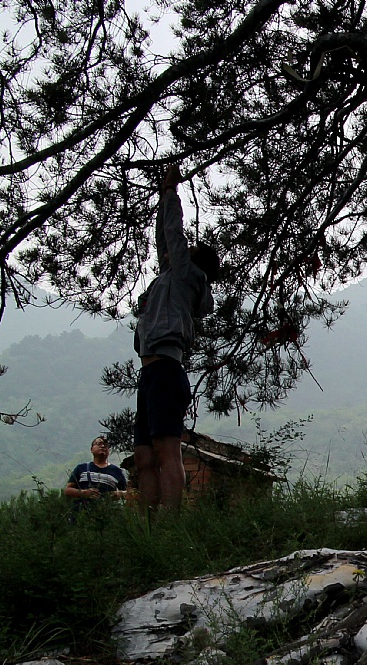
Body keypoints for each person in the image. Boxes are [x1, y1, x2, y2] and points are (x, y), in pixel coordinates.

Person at [132, 163, 220, 514]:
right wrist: (162, 196)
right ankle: (149, 525)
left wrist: (171, 192)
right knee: (143, 456)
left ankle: (169, 523)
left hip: (167, 371)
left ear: (194, 262)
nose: (175, 251)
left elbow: (173, 233)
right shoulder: (170, 276)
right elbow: (163, 238)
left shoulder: (188, 276)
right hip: (150, 372)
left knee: (166, 451)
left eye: (187, 251)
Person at [64, 436, 128, 503]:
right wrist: (85, 493)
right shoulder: (81, 468)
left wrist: (117, 494)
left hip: (106, 508)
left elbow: (127, 493)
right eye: (99, 444)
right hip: (82, 508)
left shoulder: (117, 471)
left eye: (106, 445)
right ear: (91, 449)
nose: (102, 446)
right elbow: (67, 491)